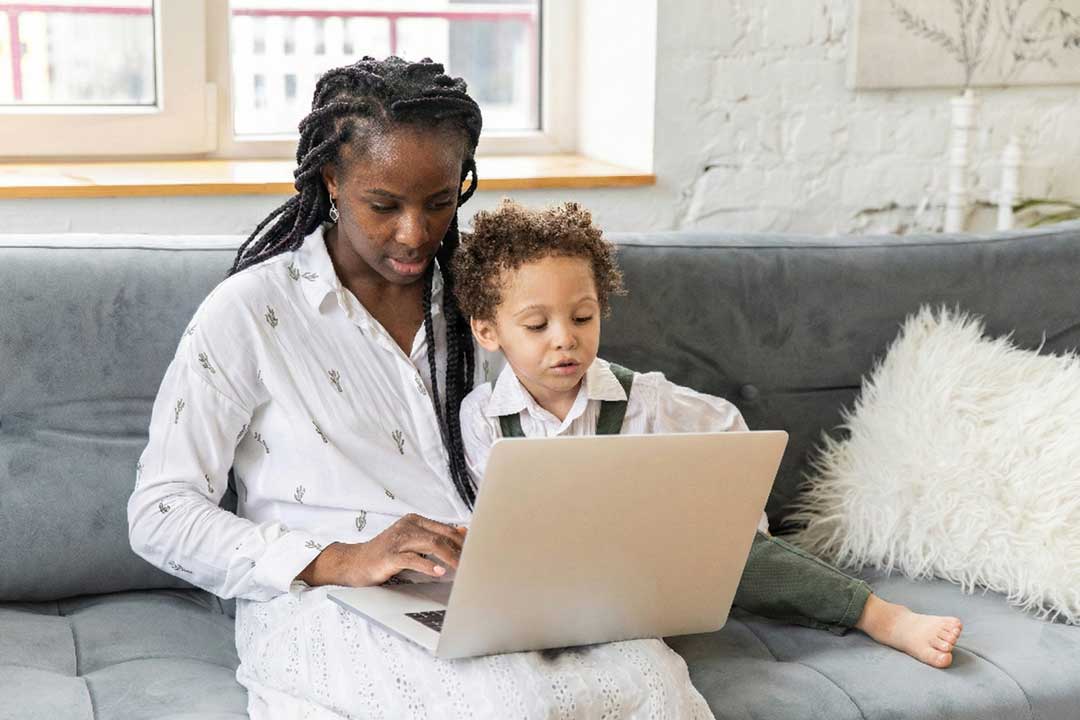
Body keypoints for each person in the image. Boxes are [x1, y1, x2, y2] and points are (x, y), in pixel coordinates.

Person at [128, 56, 715, 719]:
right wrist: (339, 558)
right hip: (331, 603)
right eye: (384, 205)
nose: (415, 233)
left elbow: (552, 433)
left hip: (502, 595)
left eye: (439, 202)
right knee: (503, 708)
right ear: (331, 179)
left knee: (658, 686)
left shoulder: (487, 302)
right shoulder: (249, 313)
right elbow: (160, 512)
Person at [453, 199, 965, 669]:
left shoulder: (644, 398)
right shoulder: (482, 417)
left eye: (582, 317)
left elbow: (726, 429)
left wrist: (739, 519)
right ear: (488, 331)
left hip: (651, 566)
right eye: (537, 325)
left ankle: (880, 615)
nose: (565, 337)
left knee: (740, 552)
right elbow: (492, 518)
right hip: (555, 578)